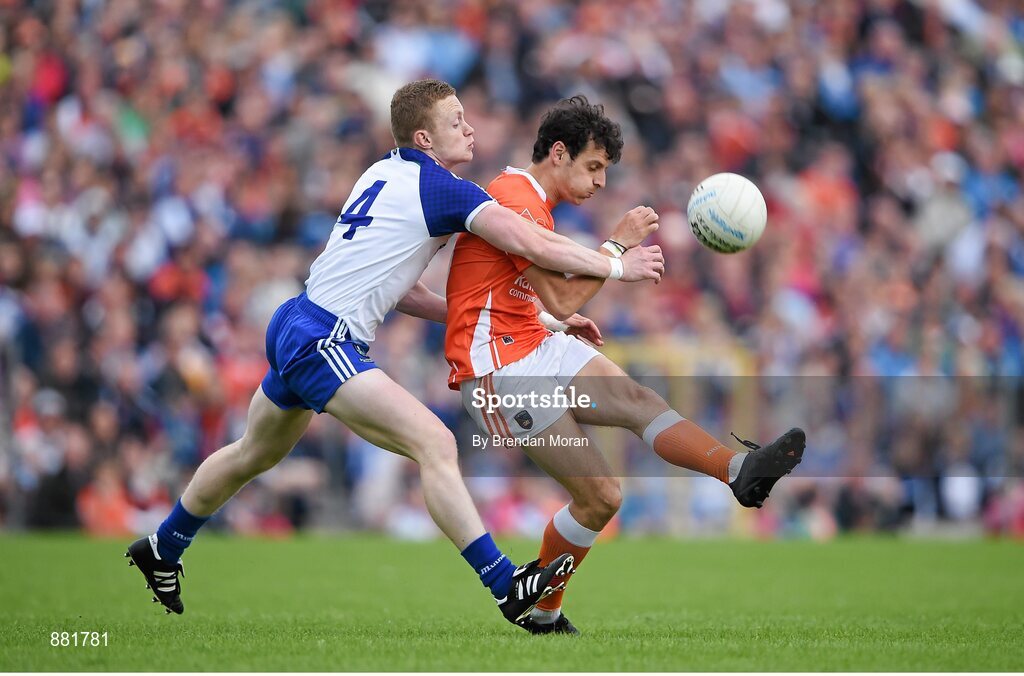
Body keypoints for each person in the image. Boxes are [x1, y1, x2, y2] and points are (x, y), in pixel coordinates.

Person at [125, 80, 666, 627]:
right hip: (325, 338)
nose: (470, 128)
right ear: (425, 137)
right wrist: (616, 260)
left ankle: (162, 546)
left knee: (253, 454)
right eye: (457, 121)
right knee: (434, 442)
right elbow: (533, 243)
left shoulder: (381, 171)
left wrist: (545, 319)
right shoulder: (445, 189)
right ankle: (506, 585)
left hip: (298, 319)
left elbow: (403, 289)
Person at [444, 95, 805, 635]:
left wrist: (554, 323)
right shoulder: (515, 198)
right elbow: (563, 295)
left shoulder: (532, 202)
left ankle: (739, 472)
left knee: (641, 401)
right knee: (602, 497)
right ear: (558, 154)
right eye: (594, 167)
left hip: (533, 342)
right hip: (499, 374)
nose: (600, 183)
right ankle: (541, 610)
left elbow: (528, 296)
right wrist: (618, 253)